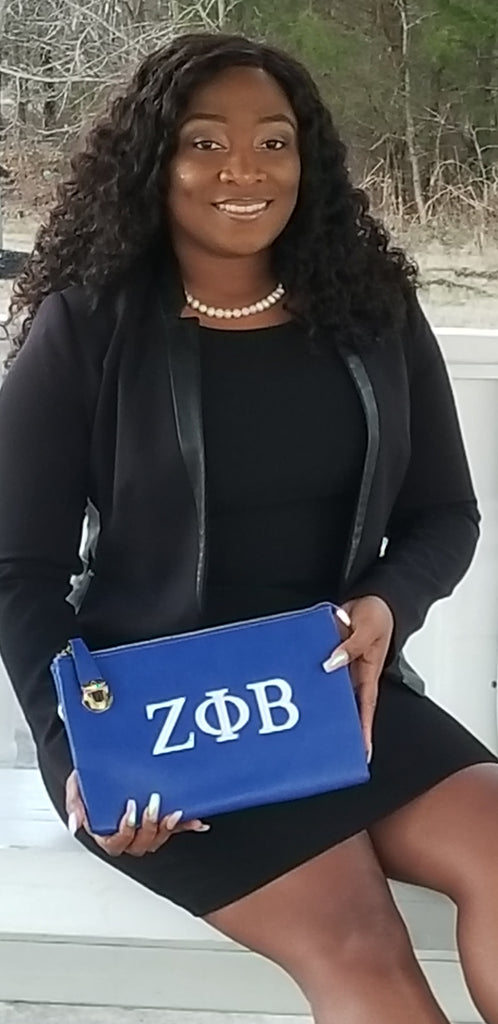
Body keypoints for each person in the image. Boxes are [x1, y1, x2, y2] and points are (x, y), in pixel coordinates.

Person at [0, 30, 497, 1024]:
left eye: (274, 142)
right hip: (162, 719)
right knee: (360, 945)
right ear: (156, 161)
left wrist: (385, 606)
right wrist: (78, 751)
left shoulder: (370, 309)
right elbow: (18, 567)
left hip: (335, 695)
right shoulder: (91, 321)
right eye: (205, 142)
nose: (244, 169)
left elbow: (444, 513)